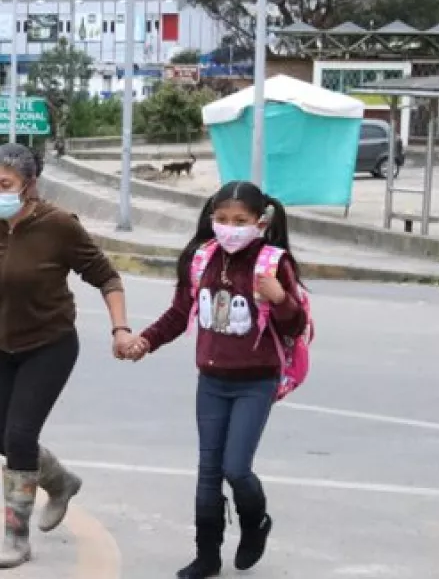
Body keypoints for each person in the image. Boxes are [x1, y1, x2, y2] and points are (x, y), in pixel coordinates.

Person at [0, 143, 132, 570]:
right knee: (3, 440)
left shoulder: (59, 227)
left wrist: (120, 329)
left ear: (30, 186)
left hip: (49, 344)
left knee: (19, 438)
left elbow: (107, 277)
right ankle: (60, 482)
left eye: (7, 185)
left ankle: (15, 538)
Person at [120, 180, 309, 579]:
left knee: (236, 468)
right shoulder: (201, 259)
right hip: (212, 380)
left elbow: (295, 325)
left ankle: (255, 522)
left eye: (240, 220)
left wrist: (278, 297)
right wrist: (145, 342)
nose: (229, 227)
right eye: (221, 219)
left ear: (260, 222)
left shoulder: (272, 264)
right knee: (208, 469)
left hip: (255, 381)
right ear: (211, 219)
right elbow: (178, 314)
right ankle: (207, 555)